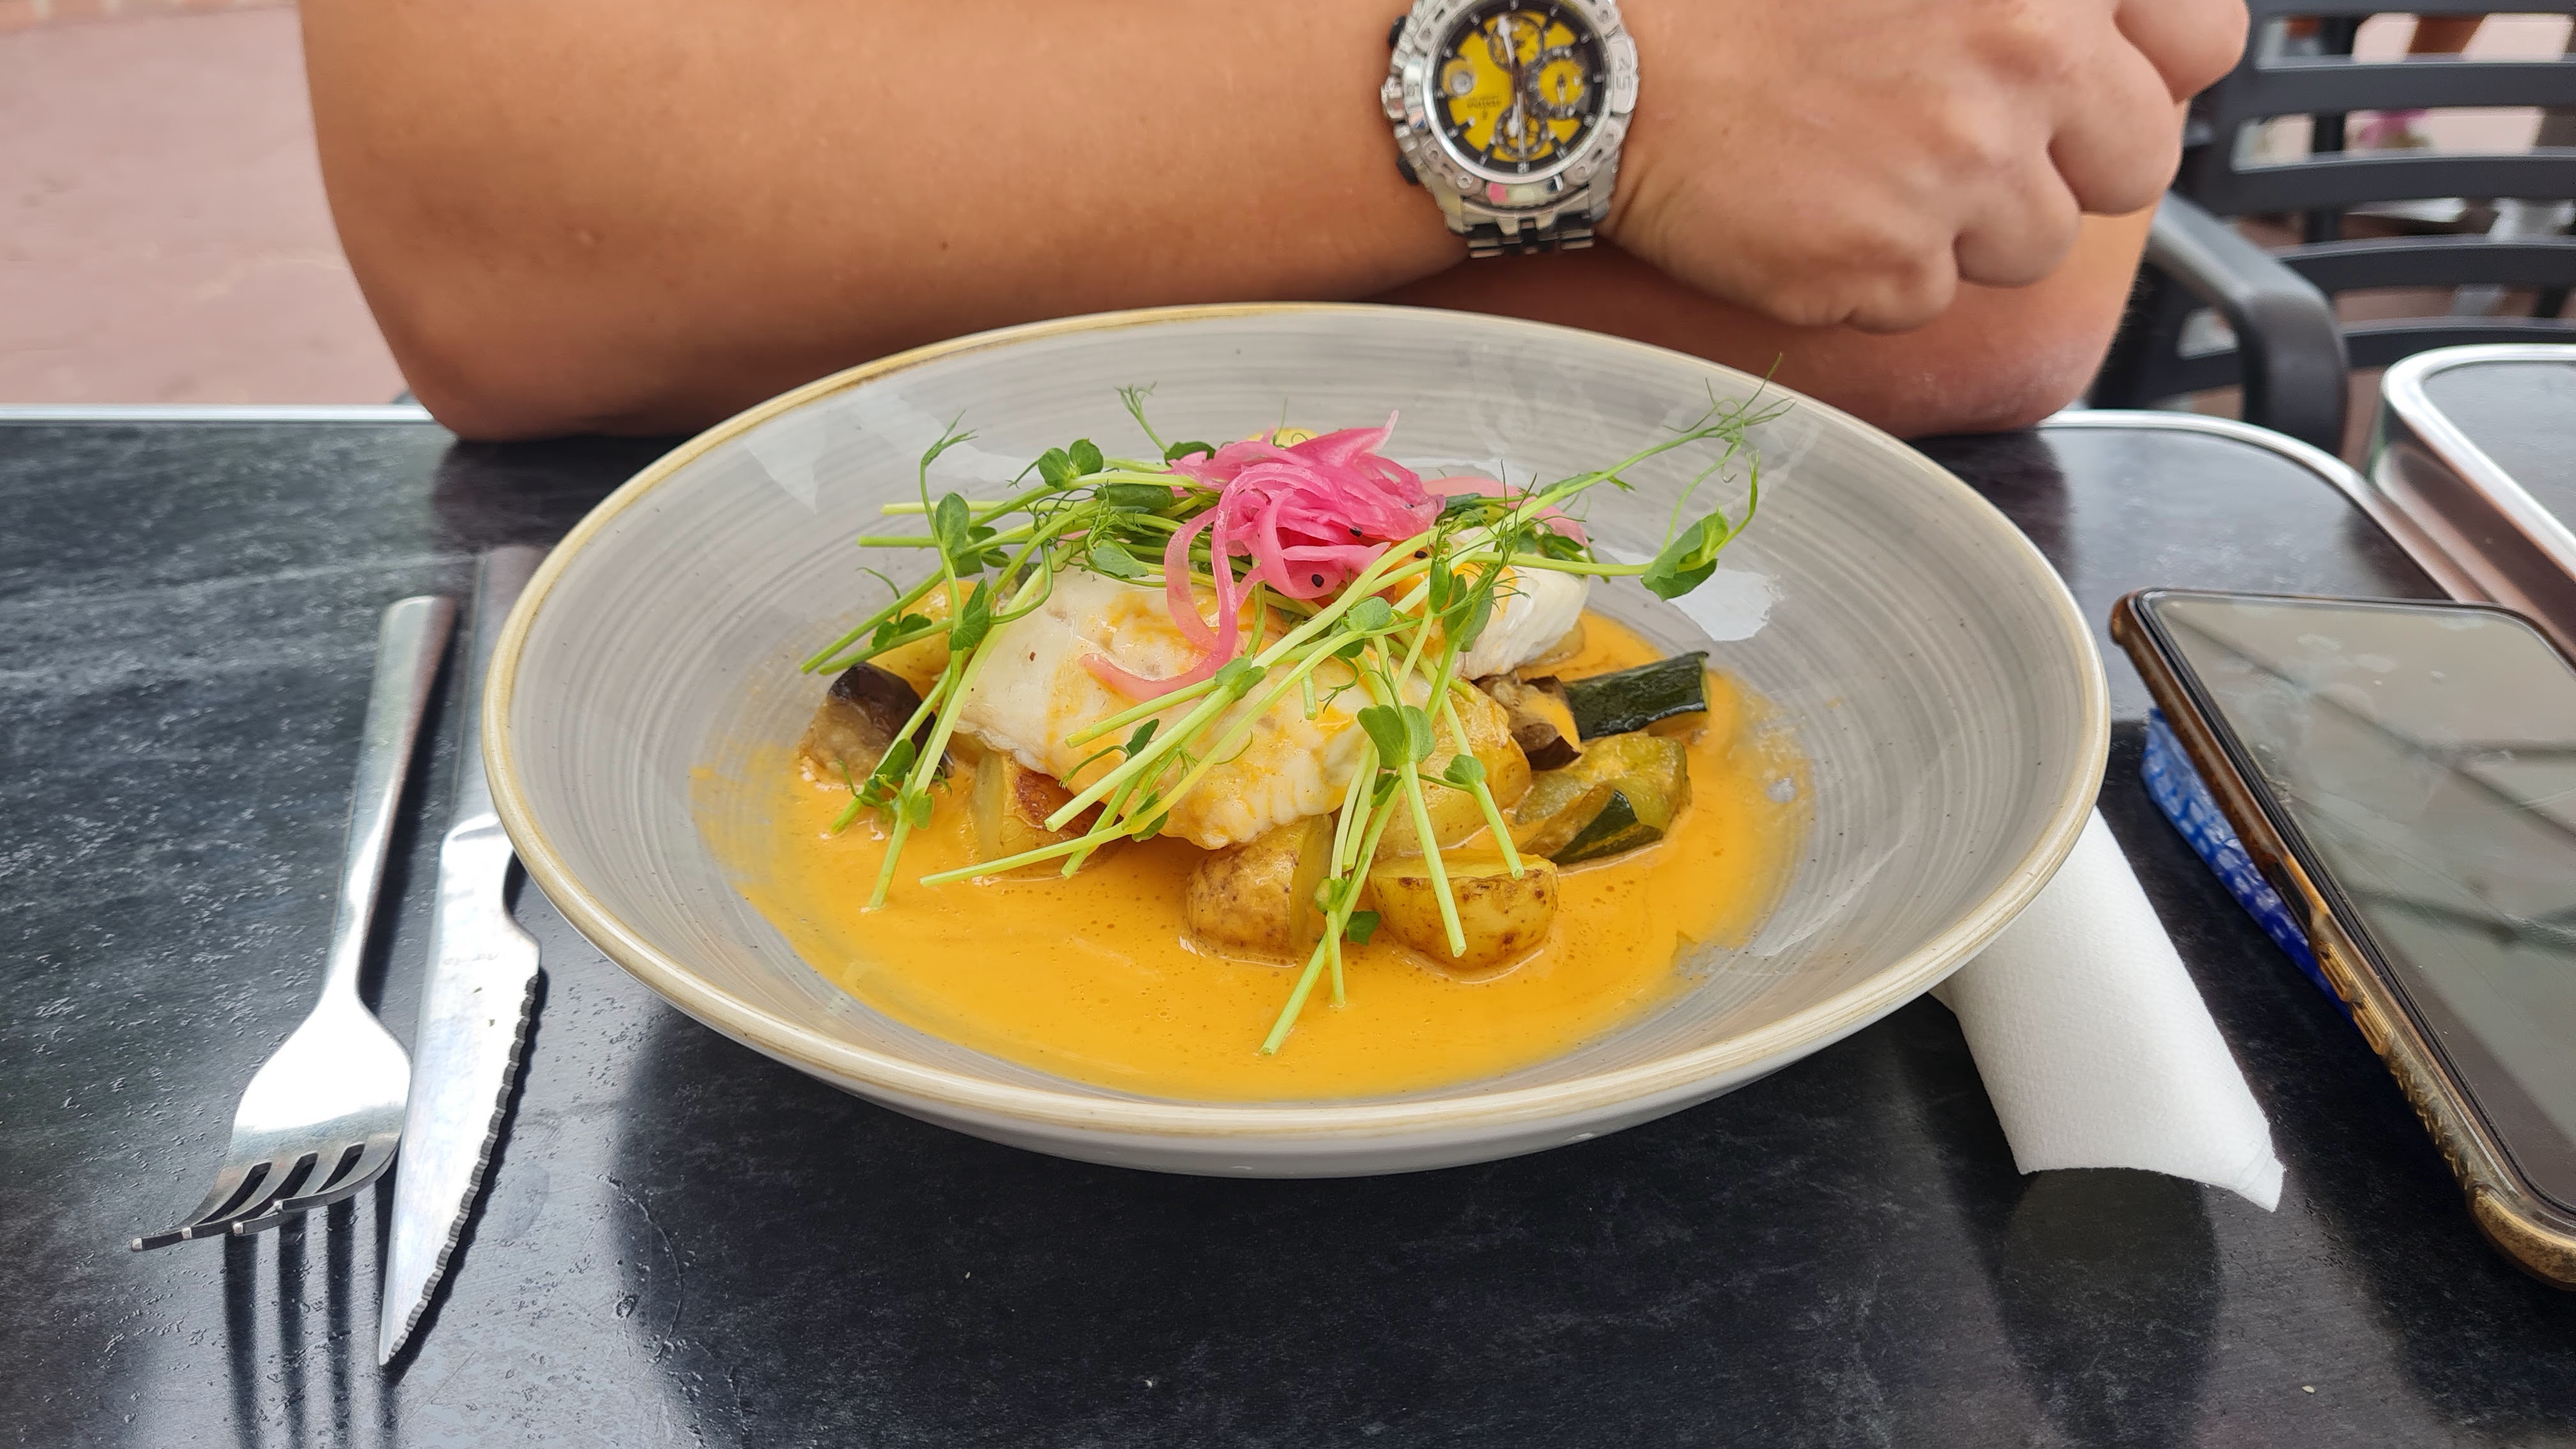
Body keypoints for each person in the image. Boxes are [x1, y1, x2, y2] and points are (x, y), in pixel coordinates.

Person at [297, 0, 2244, 441]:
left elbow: (1986, 242)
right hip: (728, 715)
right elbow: (507, 233)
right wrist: (1638, 89)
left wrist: (863, 189)